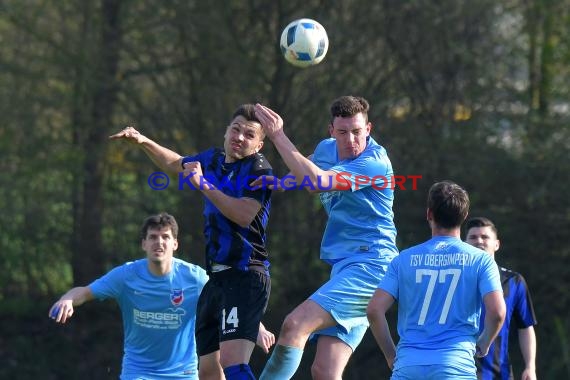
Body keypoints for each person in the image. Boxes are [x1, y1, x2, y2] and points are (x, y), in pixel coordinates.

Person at [109, 104, 274, 380]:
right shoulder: (214, 160)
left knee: (234, 364)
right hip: (216, 280)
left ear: (259, 144)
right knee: (209, 370)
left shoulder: (260, 170)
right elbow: (176, 163)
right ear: (226, 131)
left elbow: (243, 215)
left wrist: (203, 184)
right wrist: (143, 140)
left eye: (249, 134)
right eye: (235, 129)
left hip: (245, 275)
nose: (240, 137)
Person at [253, 96, 399, 380]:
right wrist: (281, 184)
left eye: (357, 131)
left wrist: (277, 135)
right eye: (343, 132)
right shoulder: (326, 149)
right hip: (346, 268)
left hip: (372, 266)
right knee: (324, 371)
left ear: (368, 128)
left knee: (294, 325)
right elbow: (306, 167)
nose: (351, 139)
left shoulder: (374, 162)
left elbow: (318, 182)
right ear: (331, 131)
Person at [366, 181, 507, 380]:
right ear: (464, 216)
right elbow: (497, 313)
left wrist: (391, 355)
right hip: (455, 366)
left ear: (429, 214)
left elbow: (374, 310)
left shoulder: (403, 259)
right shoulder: (481, 260)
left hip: (408, 365)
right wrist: (484, 343)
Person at [49, 213, 208, 379]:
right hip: (139, 372)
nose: (159, 242)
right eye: (153, 237)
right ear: (144, 244)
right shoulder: (126, 276)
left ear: (175, 244)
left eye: (165, 237)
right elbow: (85, 292)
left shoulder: (195, 278)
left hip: (182, 373)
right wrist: (67, 299)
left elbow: (223, 298)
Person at [465, 217, 537, 380]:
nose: (479, 241)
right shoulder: (453, 280)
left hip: (498, 373)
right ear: (464, 244)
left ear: (496, 244)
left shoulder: (514, 281)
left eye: (485, 237)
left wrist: (530, 366)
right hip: (457, 370)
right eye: (473, 237)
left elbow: (525, 327)